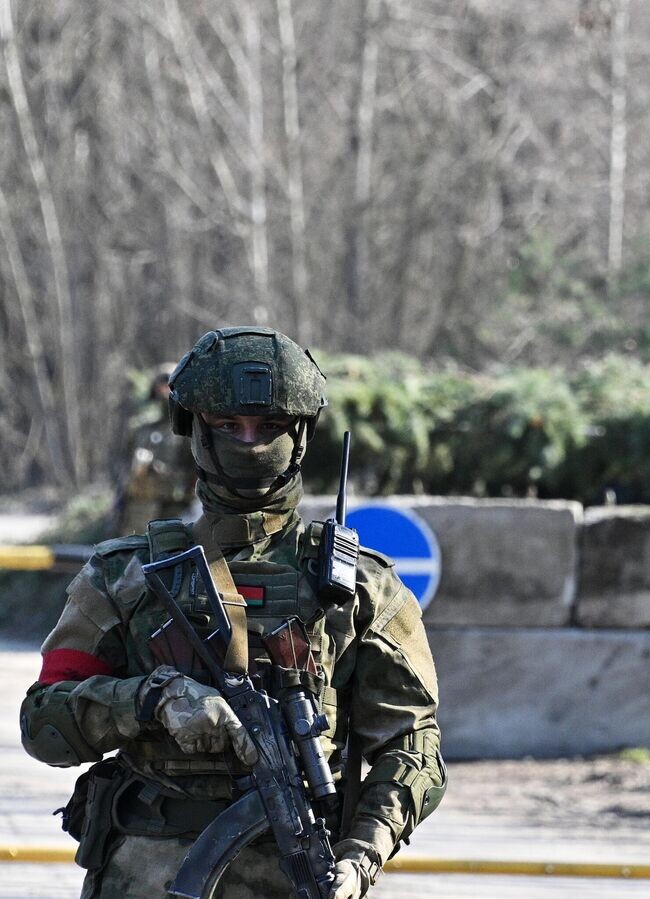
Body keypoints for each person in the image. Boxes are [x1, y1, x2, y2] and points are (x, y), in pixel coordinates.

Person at [19, 327, 445, 898]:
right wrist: (150, 701)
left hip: (302, 871)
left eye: (269, 426)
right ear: (196, 430)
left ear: (300, 435)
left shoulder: (361, 586)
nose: (250, 442)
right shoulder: (125, 574)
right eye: (228, 425)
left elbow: (412, 744)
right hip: (146, 874)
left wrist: (364, 851)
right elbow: (44, 725)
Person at [114, 364, 197, 535]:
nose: (165, 388)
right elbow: (122, 467)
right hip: (138, 512)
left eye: (170, 383)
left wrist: (160, 471)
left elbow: (197, 474)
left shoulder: (189, 429)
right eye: (161, 383)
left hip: (174, 513)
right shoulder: (141, 429)